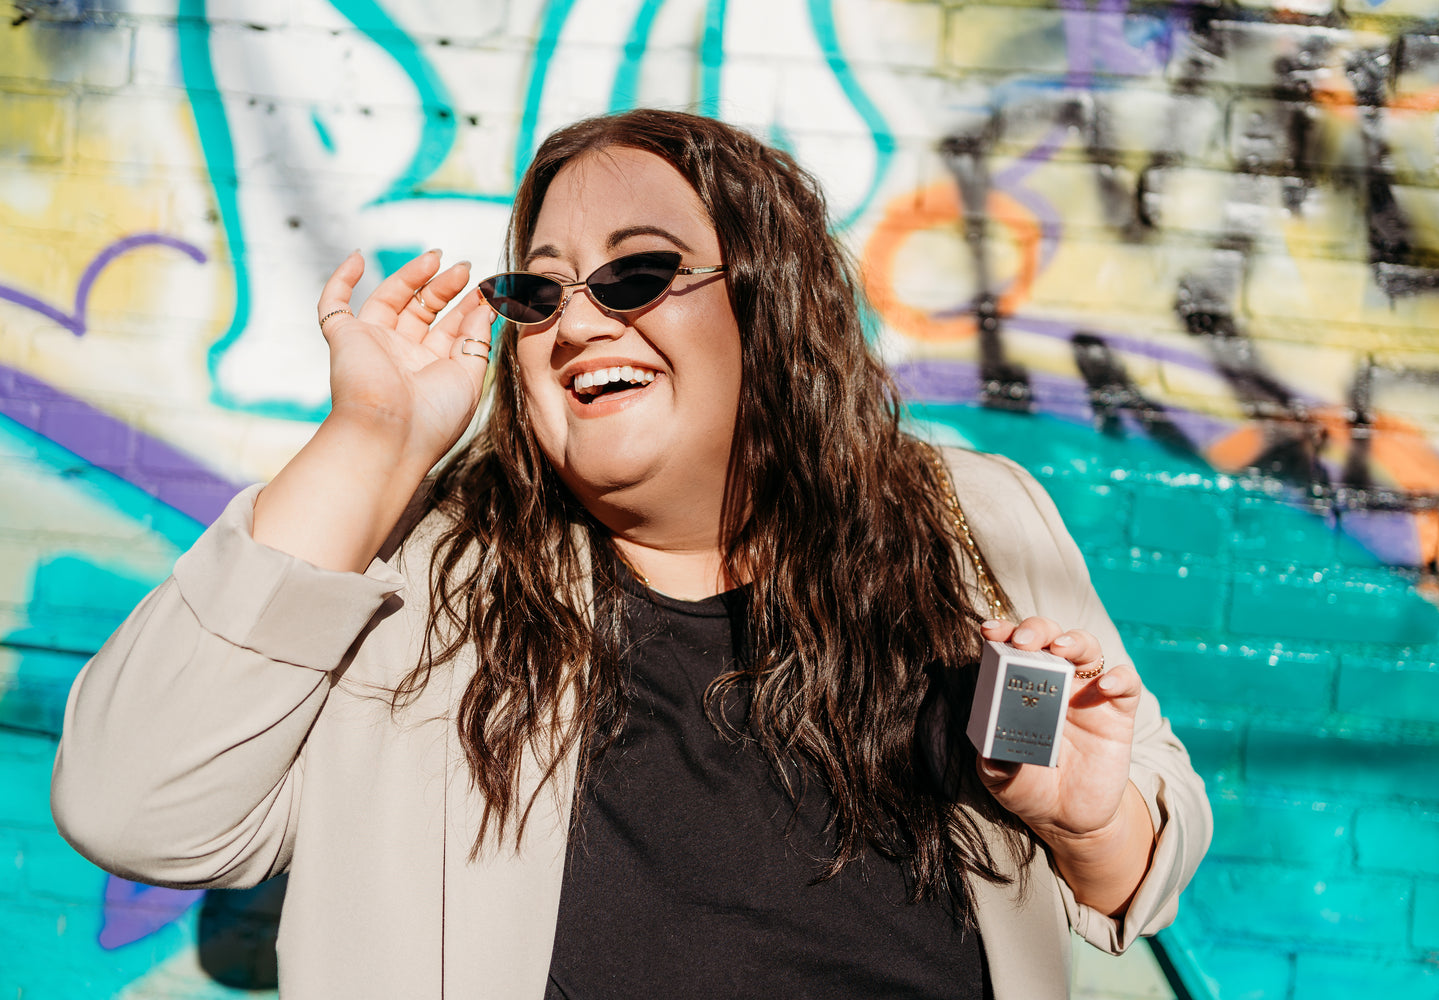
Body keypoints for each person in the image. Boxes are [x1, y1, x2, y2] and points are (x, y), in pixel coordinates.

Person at [52, 109, 1210, 999]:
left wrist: (1085, 818)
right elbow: (135, 808)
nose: (580, 320)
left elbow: (1149, 855)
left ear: (776, 304)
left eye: (638, 273)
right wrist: (375, 439)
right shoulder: (422, 569)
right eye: (538, 290)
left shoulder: (965, 518)